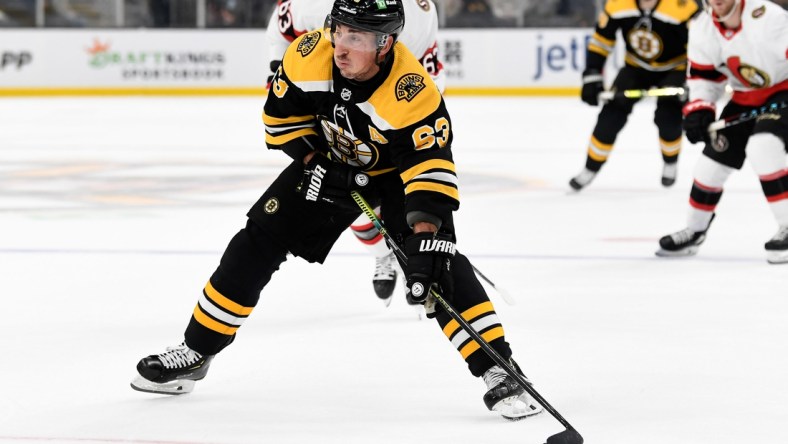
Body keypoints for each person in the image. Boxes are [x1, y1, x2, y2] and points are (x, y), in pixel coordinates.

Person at [130, 0, 543, 421]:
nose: (341, 47)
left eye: (356, 37)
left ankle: (499, 368)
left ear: (385, 44)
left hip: (396, 174)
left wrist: (423, 236)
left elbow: (428, 169)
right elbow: (280, 121)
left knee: (437, 264)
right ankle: (197, 351)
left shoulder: (412, 91)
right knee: (254, 242)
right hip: (329, 165)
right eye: (338, 31)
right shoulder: (310, 53)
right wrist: (316, 163)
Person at [266, 0, 445, 305]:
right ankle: (383, 254)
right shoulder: (307, 4)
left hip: (394, 106)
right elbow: (279, 37)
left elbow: (425, 81)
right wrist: (281, 83)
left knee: (407, 196)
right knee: (345, 194)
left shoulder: (416, 11)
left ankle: (414, 260)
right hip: (326, 102)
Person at [656, 0, 788, 263]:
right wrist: (700, 109)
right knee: (709, 167)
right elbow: (704, 77)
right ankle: (694, 231)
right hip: (744, 99)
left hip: (783, 93)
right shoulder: (703, 27)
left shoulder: (768, 17)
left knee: (763, 148)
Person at [569, 0, 700, 191]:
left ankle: (670, 161)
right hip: (636, 67)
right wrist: (592, 73)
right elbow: (601, 40)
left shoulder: (683, 6)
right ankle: (590, 168)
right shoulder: (617, 4)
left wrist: (693, 79)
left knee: (668, 117)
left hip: (675, 68)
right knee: (611, 115)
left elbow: (700, 46)